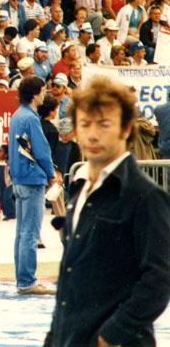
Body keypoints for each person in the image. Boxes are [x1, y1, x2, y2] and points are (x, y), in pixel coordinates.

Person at [44, 77, 170, 347]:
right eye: (85, 124)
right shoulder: (79, 189)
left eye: (104, 124)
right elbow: (69, 279)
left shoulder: (146, 196)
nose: (92, 134)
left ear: (126, 128)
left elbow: (159, 280)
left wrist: (110, 336)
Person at [9, 75, 57, 295]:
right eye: (43, 90)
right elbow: (41, 149)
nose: (45, 94)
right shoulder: (31, 117)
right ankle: (27, 281)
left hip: (19, 177)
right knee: (30, 232)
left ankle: (23, 279)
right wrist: (50, 174)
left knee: (21, 232)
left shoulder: (17, 115)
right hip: (32, 177)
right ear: (35, 93)